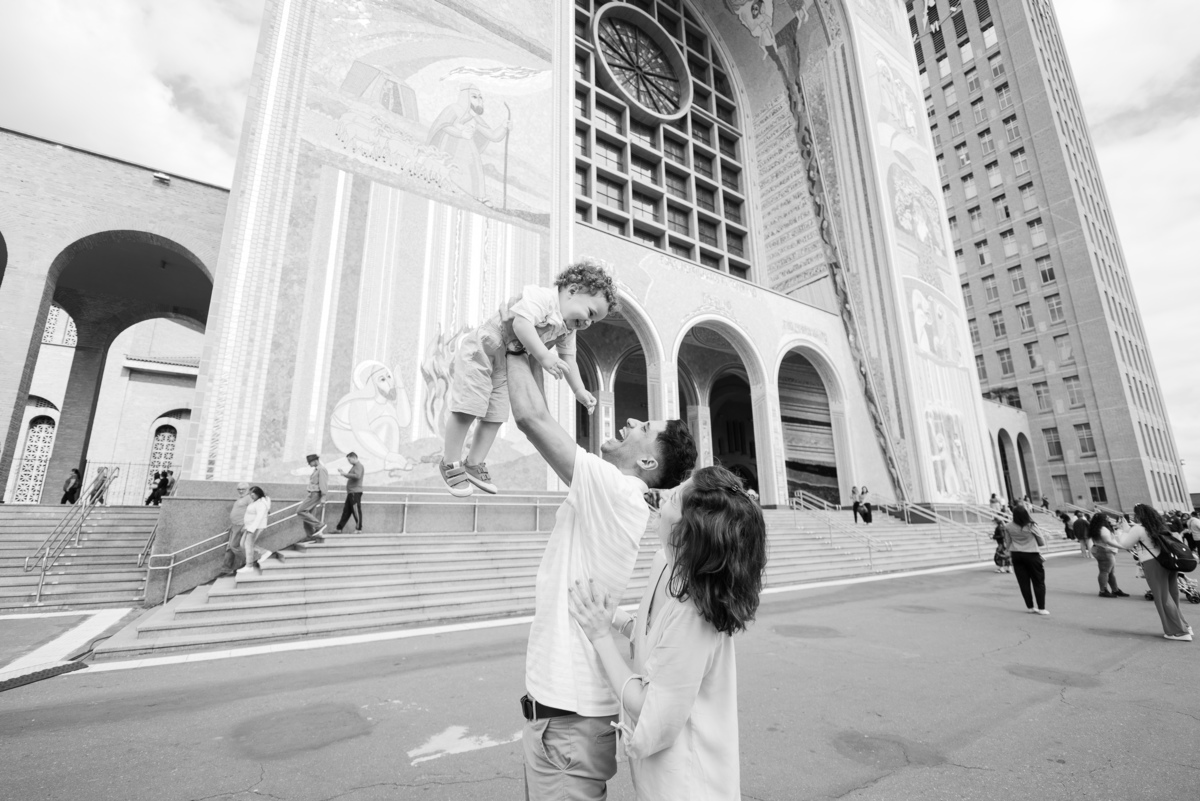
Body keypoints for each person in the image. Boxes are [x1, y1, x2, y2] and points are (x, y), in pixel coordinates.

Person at [506, 346, 697, 800]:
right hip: (565, 718)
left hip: (567, 720)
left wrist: (514, 336)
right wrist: (539, 350)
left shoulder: (618, 489)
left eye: (644, 428)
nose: (630, 422)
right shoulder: (613, 492)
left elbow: (532, 418)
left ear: (648, 463)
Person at [567, 465, 767, 800]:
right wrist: (613, 616)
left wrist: (600, 635)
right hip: (663, 777)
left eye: (673, 498)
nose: (662, 497)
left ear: (688, 530)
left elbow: (648, 707)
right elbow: (654, 639)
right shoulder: (665, 562)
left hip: (689, 785)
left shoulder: (695, 611)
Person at [440, 261, 617, 497]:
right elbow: (520, 324)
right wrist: (543, 356)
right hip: (483, 350)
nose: (587, 323)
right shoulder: (542, 298)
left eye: (593, 322)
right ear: (573, 291)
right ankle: (450, 462)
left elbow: (569, 359)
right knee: (469, 407)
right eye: (590, 313)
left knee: (496, 415)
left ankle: (474, 463)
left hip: (504, 363)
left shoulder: (567, 329)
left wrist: (579, 391)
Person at [1114, 504, 1192, 641]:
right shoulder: (1160, 526)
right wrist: (1129, 529)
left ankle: (1178, 631)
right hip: (1168, 561)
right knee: (1172, 595)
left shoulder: (1138, 529)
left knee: (1162, 597)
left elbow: (1125, 545)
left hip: (1152, 563)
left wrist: (1121, 532)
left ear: (1139, 515)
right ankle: (1184, 626)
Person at [1002, 504, 1049, 615]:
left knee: (1023, 582)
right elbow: (1041, 541)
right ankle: (1041, 608)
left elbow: (1007, 542)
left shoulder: (1008, 526)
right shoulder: (1031, 525)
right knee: (1038, 582)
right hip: (1032, 554)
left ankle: (1030, 607)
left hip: (1016, 555)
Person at [1087, 512, 1129, 598]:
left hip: (1100, 549)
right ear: (1103, 520)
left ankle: (1115, 589)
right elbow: (1108, 541)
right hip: (1104, 551)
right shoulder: (1103, 529)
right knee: (1105, 571)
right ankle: (1103, 590)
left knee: (1109, 572)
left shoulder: (1096, 528)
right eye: (1107, 518)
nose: (1109, 519)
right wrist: (1122, 547)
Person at [219, 483, 254, 576]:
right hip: (235, 525)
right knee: (230, 548)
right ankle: (226, 568)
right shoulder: (241, 499)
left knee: (234, 546)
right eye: (239, 489)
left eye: (243, 489)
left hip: (241, 525)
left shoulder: (249, 498)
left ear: (248, 489)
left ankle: (248, 563)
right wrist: (232, 525)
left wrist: (246, 525)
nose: (241, 491)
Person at [237, 486, 273, 576]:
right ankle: (264, 552)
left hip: (255, 527)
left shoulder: (261, 503)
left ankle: (249, 566)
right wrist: (246, 526)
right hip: (249, 526)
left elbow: (259, 517)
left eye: (253, 495)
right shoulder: (256, 501)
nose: (251, 496)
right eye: (250, 495)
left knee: (248, 545)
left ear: (258, 493)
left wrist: (252, 529)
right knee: (242, 544)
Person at [296, 454, 328, 541]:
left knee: (300, 511)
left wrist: (323, 497)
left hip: (315, 494)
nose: (309, 464)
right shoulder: (317, 469)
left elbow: (323, 484)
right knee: (307, 514)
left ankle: (320, 525)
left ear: (315, 461)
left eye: (309, 462)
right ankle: (311, 536)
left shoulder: (321, 469)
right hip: (313, 493)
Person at [335, 451, 365, 533]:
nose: (349, 461)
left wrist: (344, 474)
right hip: (351, 492)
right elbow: (350, 475)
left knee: (356, 510)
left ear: (354, 458)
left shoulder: (359, 466)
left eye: (349, 460)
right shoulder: (354, 466)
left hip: (355, 492)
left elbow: (357, 476)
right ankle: (339, 528)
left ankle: (359, 529)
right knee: (346, 511)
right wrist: (343, 472)